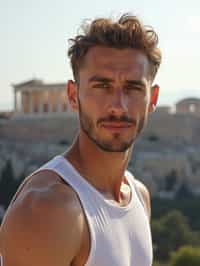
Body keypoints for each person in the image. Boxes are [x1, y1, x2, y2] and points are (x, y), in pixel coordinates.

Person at [0, 13, 161, 266]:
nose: (117, 107)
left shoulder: (140, 197)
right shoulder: (48, 208)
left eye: (132, 88)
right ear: (73, 96)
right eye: (102, 86)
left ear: (152, 99)